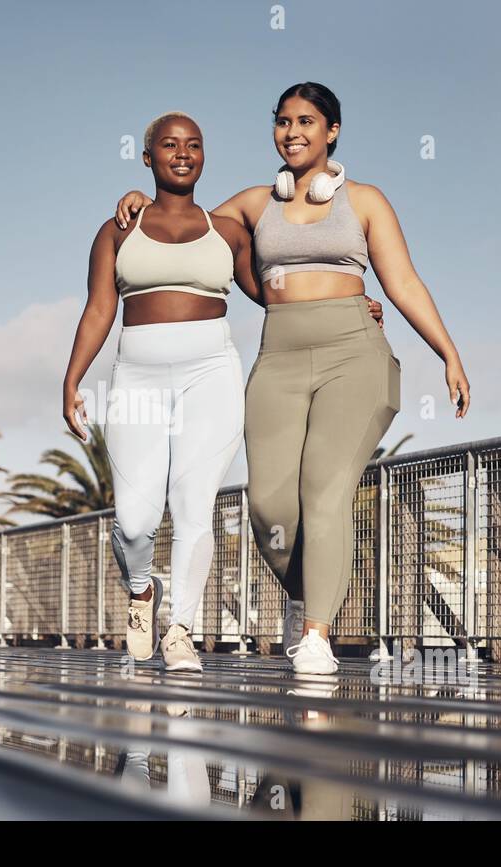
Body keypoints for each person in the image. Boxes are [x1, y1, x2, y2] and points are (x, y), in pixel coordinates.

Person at [112, 83, 470, 675]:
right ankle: (319, 589)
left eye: (307, 121)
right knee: (269, 506)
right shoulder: (255, 203)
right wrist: (136, 197)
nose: (293, 131)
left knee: (325, 490)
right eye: (283, 122)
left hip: (352, 352)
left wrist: (448, 354)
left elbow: (403, 282)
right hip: (278, 354)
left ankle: (316, 635)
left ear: (332, 132)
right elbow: (182, 218)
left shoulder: (366, 201)